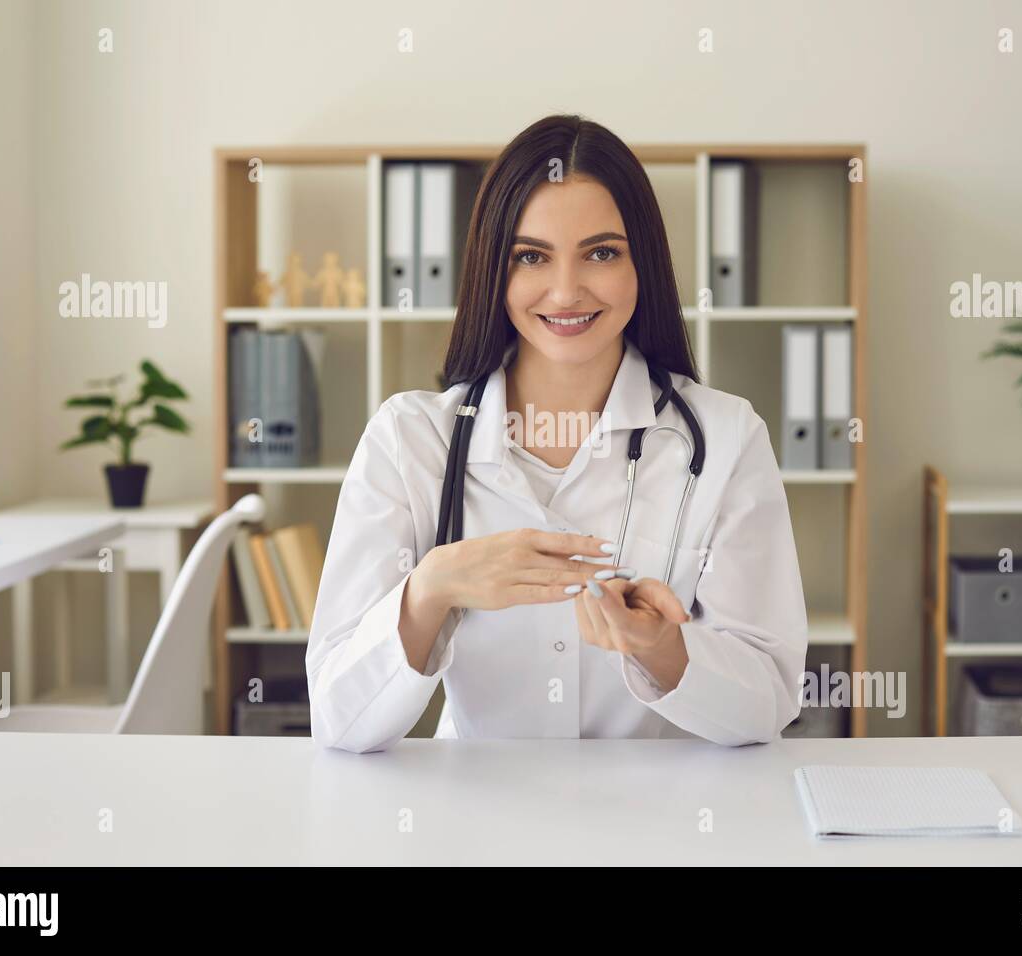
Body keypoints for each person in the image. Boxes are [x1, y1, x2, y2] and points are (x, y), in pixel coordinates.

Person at [306, 114, 808, 753]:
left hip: (658, 827)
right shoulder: (410, 440)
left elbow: (766, 705)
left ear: (641, 264)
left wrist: (665, 651)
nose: (566, 292)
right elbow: (337, 722)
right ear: (495, 270)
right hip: (477, 825)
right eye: (531, 257)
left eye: (601, 252)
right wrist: (431, 589)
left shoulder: (726, 438)